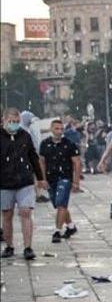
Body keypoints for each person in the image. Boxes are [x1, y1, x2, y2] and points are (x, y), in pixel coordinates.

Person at [1, 108, 46, 260]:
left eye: (16, 122)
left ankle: (28, 247)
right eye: (11, 122)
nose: (14, 125)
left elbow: (33, 157)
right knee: (7, 214)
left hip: (24, 180)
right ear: (4, 120)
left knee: (26, 212)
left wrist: (40, 177)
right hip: (4, 182)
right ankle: (9, 245)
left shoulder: (24, 135)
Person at [38, 119, 81, 244]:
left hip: (65, 177)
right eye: (57, 129)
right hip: (51, 178)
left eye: (61, 129)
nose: (59, 131)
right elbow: (42, 162)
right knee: (58, 204)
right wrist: (42, 179)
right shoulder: (45, 144)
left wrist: (76, 182)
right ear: (51, 129)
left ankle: (57, 231)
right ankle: (71, 226)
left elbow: (77, 162)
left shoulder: (69, 144)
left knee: (61, 204)